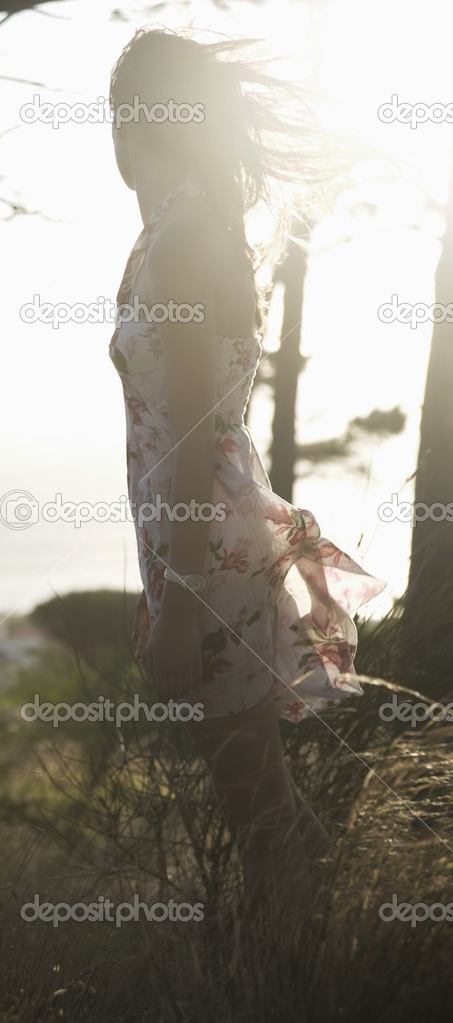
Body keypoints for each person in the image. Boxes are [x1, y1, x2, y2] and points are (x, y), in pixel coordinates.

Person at [108, 27, 386, 918]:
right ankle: (327, 961)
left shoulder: (186, 239)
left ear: (138, 125)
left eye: (117, 116)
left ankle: (303, 981)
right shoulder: (179, 229)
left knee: (256, 813)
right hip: (200, 547)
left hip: (209, 555)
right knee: (259, 807)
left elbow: (191, 426)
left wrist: (183, 591)